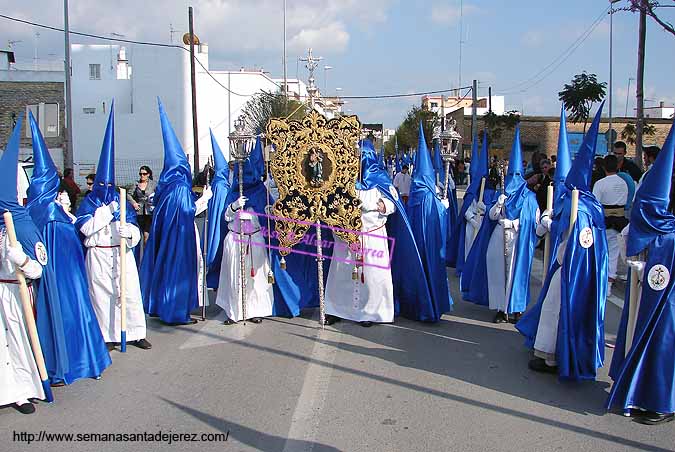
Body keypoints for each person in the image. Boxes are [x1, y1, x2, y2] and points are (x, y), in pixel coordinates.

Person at [516, 105, 608, 379]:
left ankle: (552, 356)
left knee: (555, 306)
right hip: (577, 269)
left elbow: (565, 232)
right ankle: (550, 351)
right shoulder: (591, 204)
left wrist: (547, 221)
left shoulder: (577, 206)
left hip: (569, 268)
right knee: (553, 305)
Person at [27, 112, 111, 385]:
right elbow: (69, 243)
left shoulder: (37, 211)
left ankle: (58, 363)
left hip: (54, 277)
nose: (63, 194)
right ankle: (72, 363)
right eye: (58, 190)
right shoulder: (53, 214)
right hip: (65, 279)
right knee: (70, 318)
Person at [606, 118, 675, 425]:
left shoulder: (669, 237)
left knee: (663, 338)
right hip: (653, 289)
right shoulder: (662, 234)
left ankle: (663, 400)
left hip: (667, 302)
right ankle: (643, 392)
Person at [75, 105, 151, 351]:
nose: (106, 186)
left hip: (121, 253)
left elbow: (134, 227)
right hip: (99, 254)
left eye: (110, 182)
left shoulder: (120, 198)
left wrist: (131, 233)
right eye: (102, 182)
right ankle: (108, 335)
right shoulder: (89, 202)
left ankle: (136, 332)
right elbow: (86, 229)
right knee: (102, 296)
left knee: (129, 294)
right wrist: (106, 211)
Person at [141, 101, 210, 326]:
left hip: (168, 240)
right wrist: (205, 200)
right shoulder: (180, 187)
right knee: (179, 272)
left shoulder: (165, 187)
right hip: (181, 239)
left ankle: (162, 306)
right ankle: (176, 311)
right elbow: (188, 211)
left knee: (165, 269)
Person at [0, 115, 47, 415]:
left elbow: (40, 268)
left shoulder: (24, 223)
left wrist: (23, 259)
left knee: (18, 340)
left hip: (16, 291)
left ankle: (22, 391)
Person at [475, 126, 539, 323]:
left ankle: (517, 309)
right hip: (499, 236)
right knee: (497, 271)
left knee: (515, 273)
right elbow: (492, 216)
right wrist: (499, 204)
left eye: (517, 176)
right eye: (511, 175)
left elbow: (534, 220)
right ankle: (501, 309)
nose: (514, 180)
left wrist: (515, 223)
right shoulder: (500, 193)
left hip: (518, 238)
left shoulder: (529, 198)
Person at [216, 137, 274, 324]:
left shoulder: (261, 193)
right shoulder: (234, 192)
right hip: (236, 239)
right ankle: (235, 312)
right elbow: (225, 217)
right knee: (236, 277)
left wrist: (267, 211)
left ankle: (255, 310)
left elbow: (270, 218)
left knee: (256, 279)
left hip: (254, 240)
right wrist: (234, 206)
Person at [405, 123, 453, 321]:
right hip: (431, 247)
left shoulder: (416, 193)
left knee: (418, 272)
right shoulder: (430, 196)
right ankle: (431, 307)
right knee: (431, 272)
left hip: (416, 245)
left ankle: (416, 307)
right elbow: (439, 219)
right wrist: (444, 206)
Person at [592, 154, 629, 292]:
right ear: (618, 166)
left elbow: (595, 203)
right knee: (614, 253)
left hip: (604, 221)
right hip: (619, 221)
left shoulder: (600, 184)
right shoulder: (623, 183)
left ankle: (601, 282)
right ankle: (608, 284)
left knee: (600, 251)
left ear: (603, 167)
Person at [127, 165, 156, 244]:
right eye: (140, 174)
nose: (142, 176)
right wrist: (134, 203)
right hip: (139, 212)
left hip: (150, 212)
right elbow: (128, 195)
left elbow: (159, 194)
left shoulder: (154, 184)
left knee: (147, 234)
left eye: (144, 174)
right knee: (139, 234)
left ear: (148, 174)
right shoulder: (136, 184)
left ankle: (147, 254)